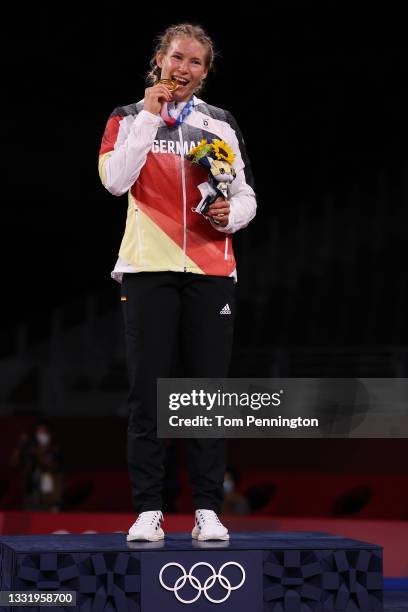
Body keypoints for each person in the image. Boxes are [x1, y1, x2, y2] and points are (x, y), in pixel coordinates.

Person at [98, 23, 256, 541]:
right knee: (149, 395)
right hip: (147, 270)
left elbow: (247, 196)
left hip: (212, 272)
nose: (183, 69)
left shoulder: (221, 124)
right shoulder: (126, 119)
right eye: (176, 58)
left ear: (204, 74)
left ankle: (207, 508)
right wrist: (148, 116)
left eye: (195, 63)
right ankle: (150, 509)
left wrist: (230, 214)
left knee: (207, 395)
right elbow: (116, 180)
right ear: (159, 61)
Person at [10, 419, 63, 511]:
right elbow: (13, 463)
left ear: (49, 434)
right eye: (38, 431)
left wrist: (39, 453)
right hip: (31, 490)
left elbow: (53, 466)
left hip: (48, 492)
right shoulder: (30, 449)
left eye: (44, 431)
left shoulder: (55, 449)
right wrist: (20, 445)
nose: (41, 434)